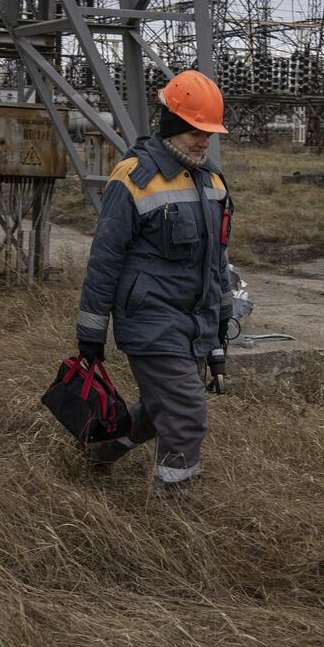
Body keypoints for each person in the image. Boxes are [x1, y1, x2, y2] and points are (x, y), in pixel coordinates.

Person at [74, 70, 233, 491]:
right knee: (185, 412)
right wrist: (91, 332)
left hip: (194, 321)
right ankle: (175, 511)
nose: (203, 141)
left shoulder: (213, 181)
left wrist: (223, 317)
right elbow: (104, 260)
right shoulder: (133, 178)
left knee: (160, 407)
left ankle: (99, 450)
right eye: (195, 132)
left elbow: (218, 257)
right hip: (149, 321)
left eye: (208, 134)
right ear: (172, 128)